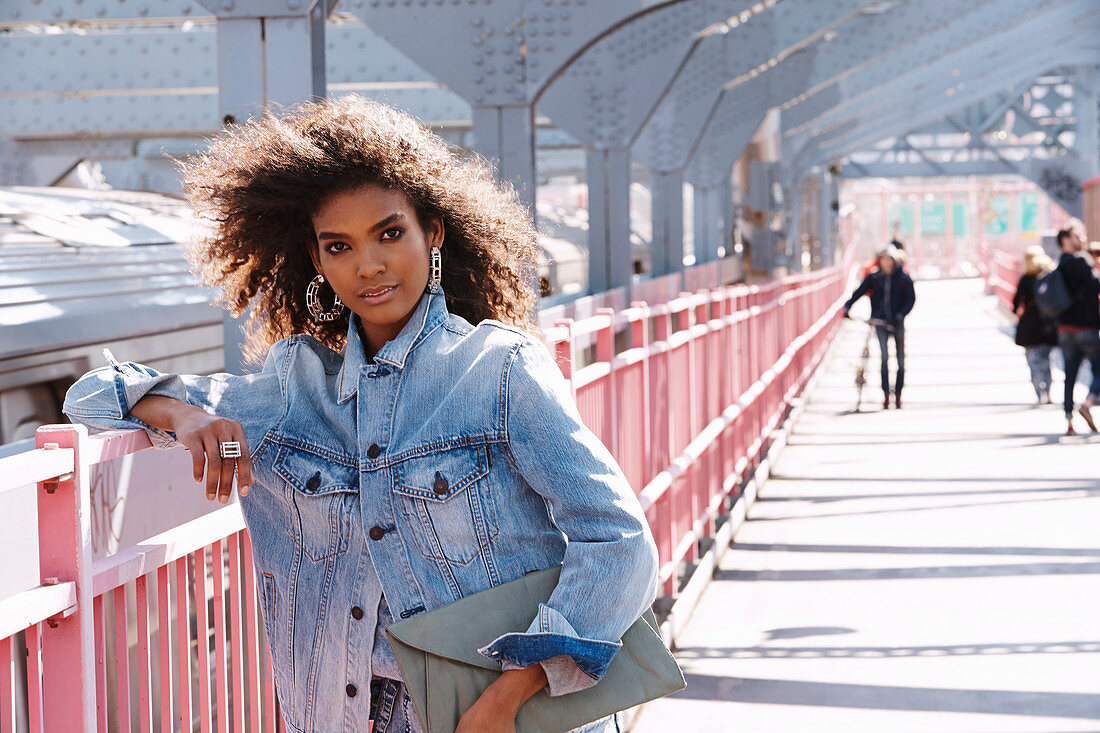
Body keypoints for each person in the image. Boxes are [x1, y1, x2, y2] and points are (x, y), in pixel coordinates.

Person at [62, 96, 658, 733]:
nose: (367, 266)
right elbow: (92, 396)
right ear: (317, 261)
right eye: (338, 246)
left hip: (502, 713)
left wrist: (507, 699)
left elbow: (620, 542)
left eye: (390, 233)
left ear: (434, 232)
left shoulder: (500, 369)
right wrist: (180, 416)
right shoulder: (293, 388)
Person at [843, 245, 916, 409]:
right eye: (883, 260)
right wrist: (848, 306)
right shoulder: (874, 278)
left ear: (894, 261)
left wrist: (901, 315)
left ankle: (898, 395)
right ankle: (885, 394)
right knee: (884, 358)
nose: (886, 263)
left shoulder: (903, 278)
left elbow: (911, 299)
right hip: (880, 321)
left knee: (901, 361)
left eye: (889, 260)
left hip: (897, 322)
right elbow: (859, 292)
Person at [1052, 218, 1100, 435]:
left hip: (1065, 329)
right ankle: (1088, 402)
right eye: (1077, 236)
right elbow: (1095, 285)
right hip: (1086, 327)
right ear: (1065, 239)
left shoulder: (1058, 264)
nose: (1082, 240)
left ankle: (1069, 421)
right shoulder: (1082, 261)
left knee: (1069, 374)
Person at [1012, 245, 1058, 404]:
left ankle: (1039, 393)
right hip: (1048, 323)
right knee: (1047, 360)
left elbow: (1016, 301)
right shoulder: (1049, 275)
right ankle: (1049, 392)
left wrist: (1017, 313)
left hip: (1029, 326)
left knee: (1033, 361)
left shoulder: (1026, 278)